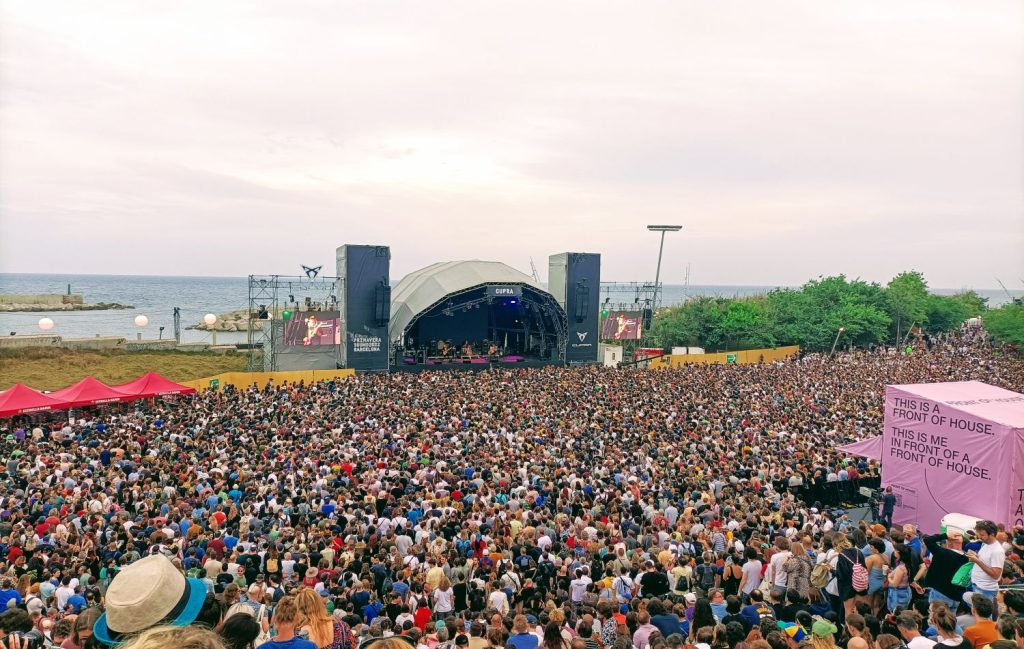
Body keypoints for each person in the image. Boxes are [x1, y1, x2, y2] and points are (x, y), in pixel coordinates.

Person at [921, 530, 970, 610]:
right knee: (949, 621)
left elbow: (927, 540)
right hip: (956, 596)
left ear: (949, 542)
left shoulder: (942, 552)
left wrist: (945, 535)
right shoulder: (968, 558)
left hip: (940, 593)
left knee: (935, 620)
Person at [966, 521, 1004, 613]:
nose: (979, 537)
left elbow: (996, 575)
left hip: (985, 589)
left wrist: (977, 561)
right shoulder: (986, 544)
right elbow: (986, 562)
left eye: (982, 535)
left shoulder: (997, 551)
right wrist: (976, 556)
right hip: (979, 586)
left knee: (984, 617)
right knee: (977, 615)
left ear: (991, 534)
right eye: (979, 534)